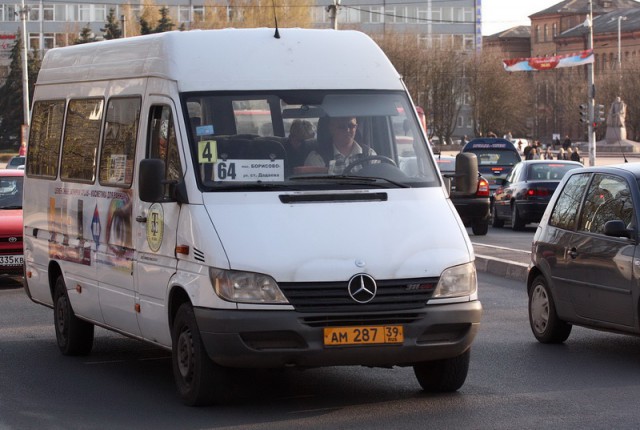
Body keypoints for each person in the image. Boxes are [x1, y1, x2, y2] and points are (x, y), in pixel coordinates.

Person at [304, 117, 375, 174]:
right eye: (342, 126)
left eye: (351, 126)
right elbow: (313, 189)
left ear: (356, 127)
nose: (347, 130)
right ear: (331, 128)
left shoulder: (369, 155)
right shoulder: (317, 158)